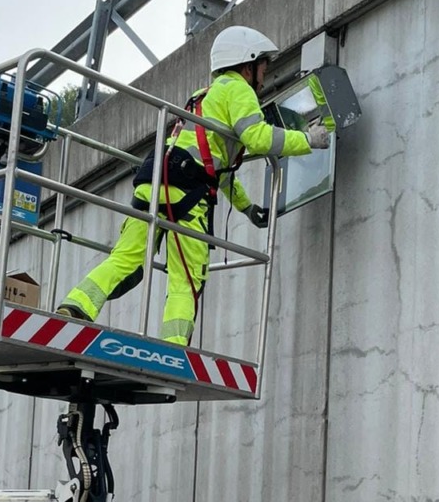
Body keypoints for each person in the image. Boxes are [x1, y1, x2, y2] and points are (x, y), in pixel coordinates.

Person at [56, 25, 331, 345]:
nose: (265, 74)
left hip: (153, 179)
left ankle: (75, 307)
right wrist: (308, 140)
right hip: (186, 190)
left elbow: (217, 166)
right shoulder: (238, 91)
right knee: (185, 280)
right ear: (248, 65)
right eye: (263, 66)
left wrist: (247, 208)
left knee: (126, 260)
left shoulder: (202, 98)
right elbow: (258, 137)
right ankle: (171, 349)